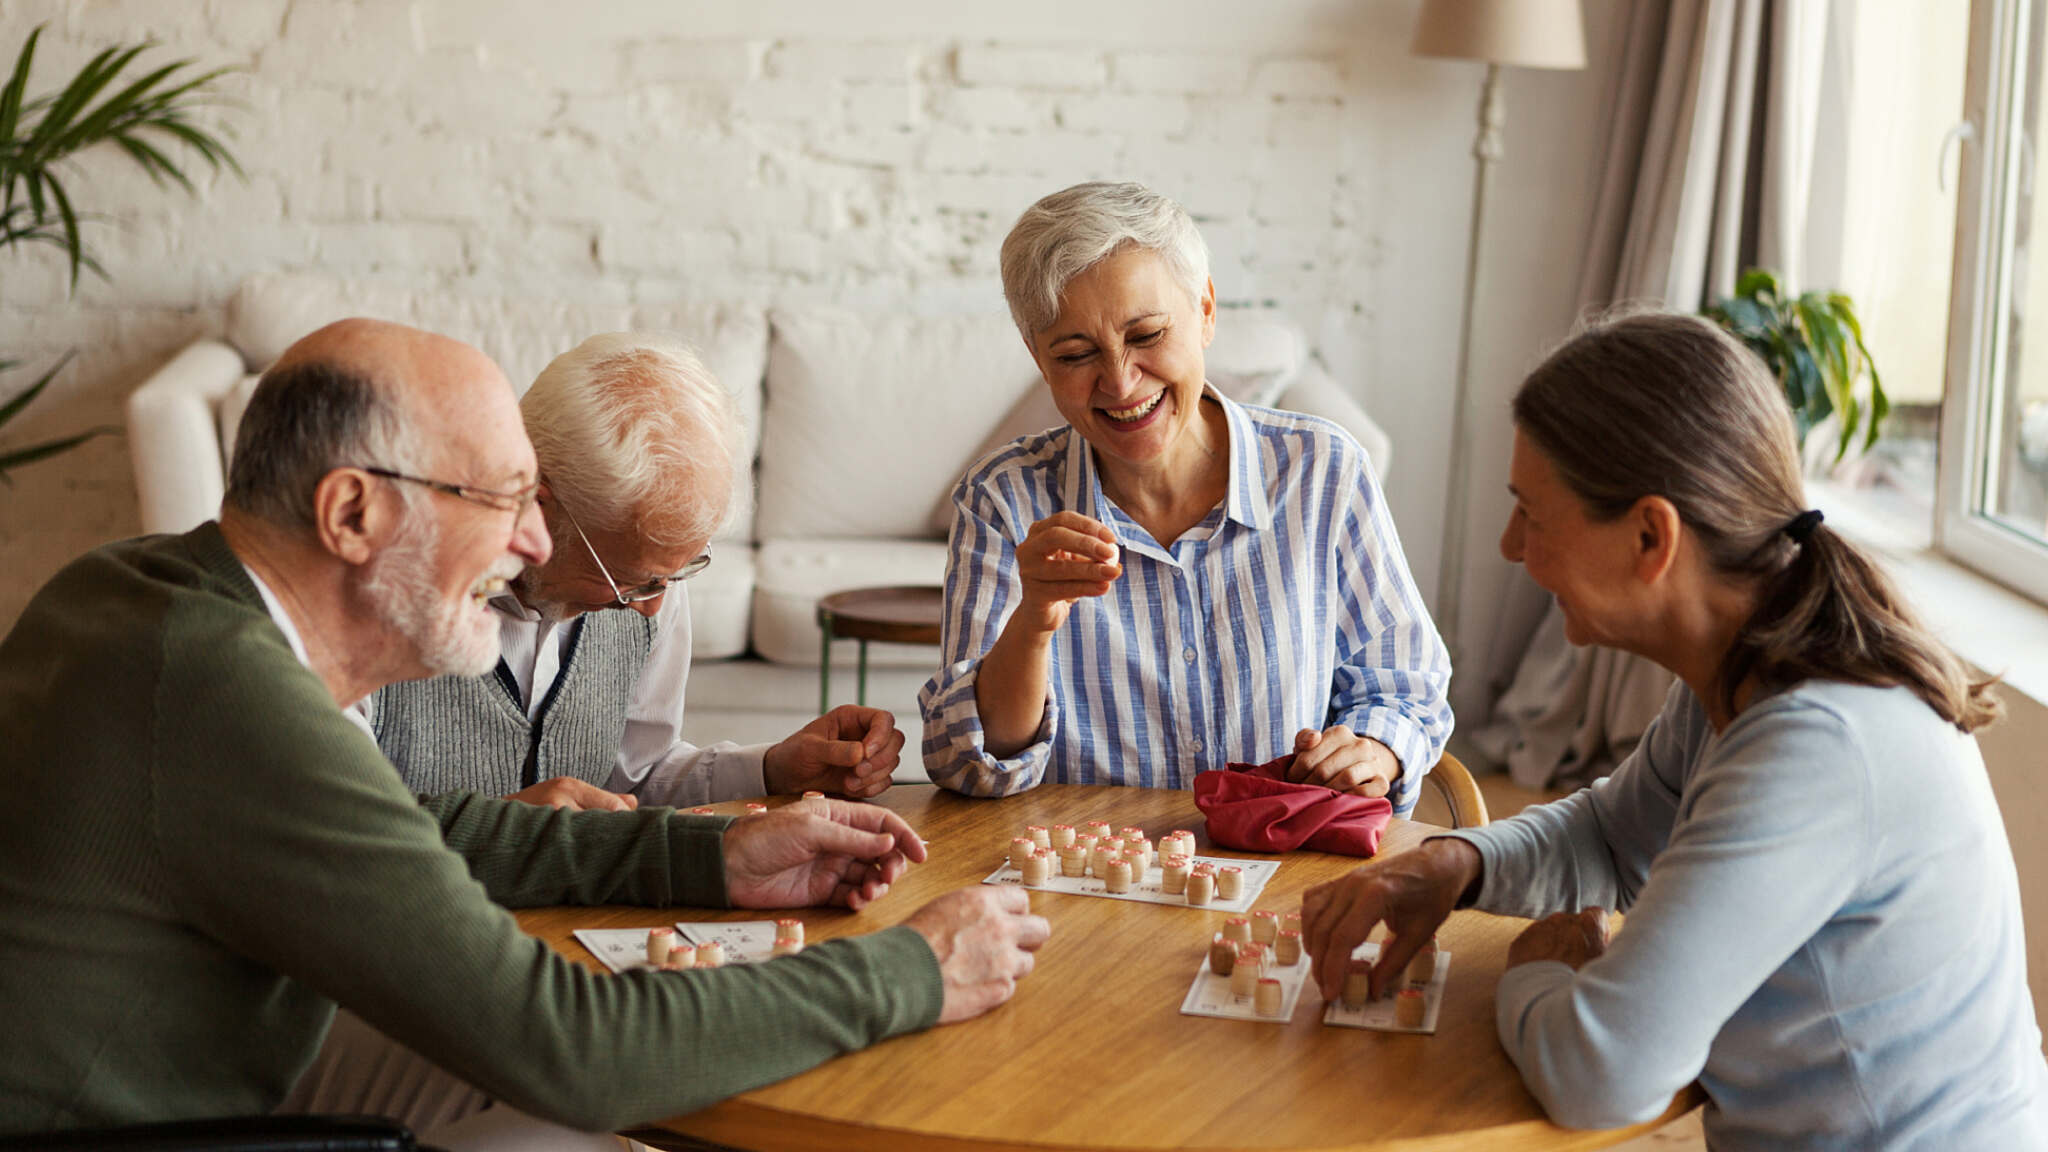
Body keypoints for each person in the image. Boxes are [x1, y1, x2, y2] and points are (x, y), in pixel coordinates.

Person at [0, 319, 1049, 1145]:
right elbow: (570, 1046)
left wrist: (711, 854)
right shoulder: (227, 693)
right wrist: (909, 969)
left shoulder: (141, 590)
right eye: (503, 498)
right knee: (582, 1102)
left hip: (213, 1047)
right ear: (352, 514)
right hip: (145, 1122)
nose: (534, 542)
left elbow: (414, 835)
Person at [1300, 313, 2048, 1148]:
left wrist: (1537, 969)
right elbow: (1612, 838)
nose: (1512, 547)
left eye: (1531, 515)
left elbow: (1601, 1073)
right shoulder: (1739, 672)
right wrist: (1455, 863)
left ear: (1651, 536)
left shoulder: (1815, 746)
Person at [920, 180, 1451, 810]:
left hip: (1281, 858)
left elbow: (1404, 688)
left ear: (1205, 311)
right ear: (1039, 358)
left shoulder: (1323, 470)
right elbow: (969, 763)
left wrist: (1372, 751)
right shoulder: (1002, 499)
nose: (1120, 383)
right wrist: (1033, 622)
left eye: (1146, 335)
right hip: (1088, 866)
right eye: (1076, 354)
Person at [367, 332, 899, 812]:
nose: (651, 607)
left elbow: (637, 776)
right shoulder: (380, 592)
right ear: (538, 503)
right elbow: (335, 833)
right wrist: (506, 826)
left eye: (677, 573)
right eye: (629, 580)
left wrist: (772, 770)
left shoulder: (653, 574)